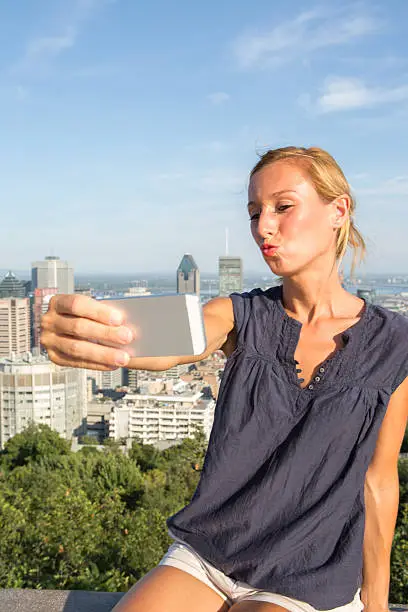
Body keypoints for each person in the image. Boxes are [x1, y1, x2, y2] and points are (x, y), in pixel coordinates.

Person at [41, 146, 408, 612]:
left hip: (307, 576)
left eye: (283, 207)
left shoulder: (394, 343)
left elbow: (378, 479)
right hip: (209, 555)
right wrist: (97, 331)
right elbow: (181, 336)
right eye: (254, 212)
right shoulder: (243, 315)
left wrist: (376, 603)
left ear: (338, 210)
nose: (263, 227)